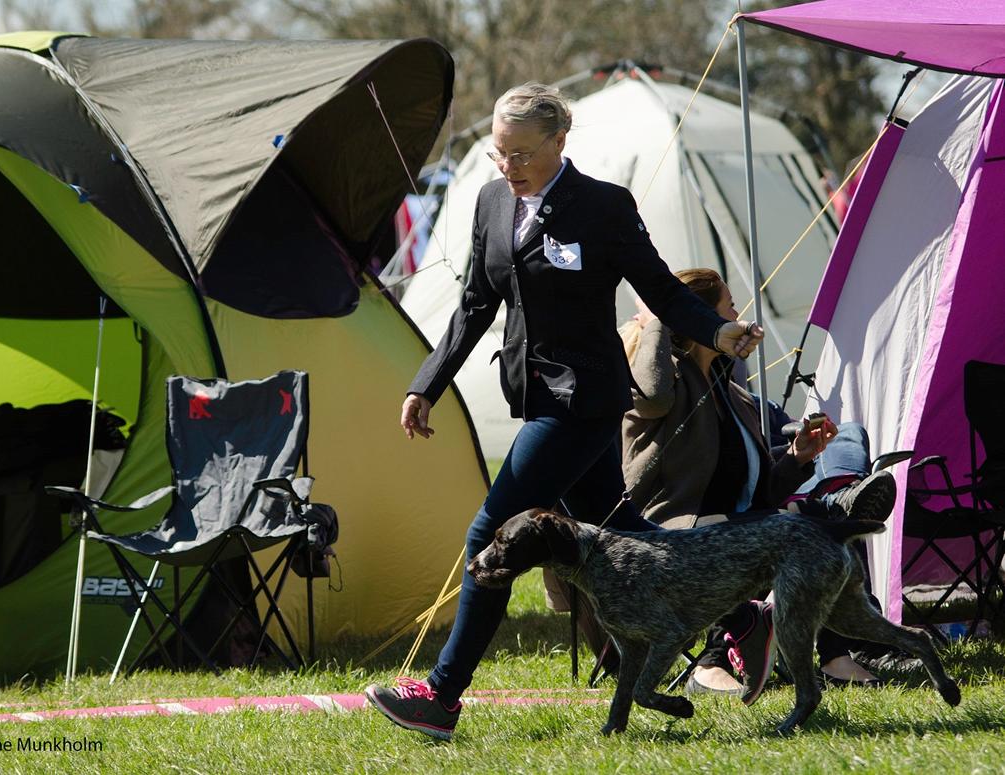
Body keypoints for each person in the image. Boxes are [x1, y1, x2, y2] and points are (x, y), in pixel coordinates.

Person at [363, 83, 763, 741]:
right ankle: (741, 613)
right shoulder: (492, 201)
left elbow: (661, 288)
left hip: (586, 401)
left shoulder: (603, 206)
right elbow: (473, 304)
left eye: (522, 153)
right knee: (620, 524)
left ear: (558, 142)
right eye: (499, 153)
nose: (509, 166)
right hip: (536, 394)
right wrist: (426, 384)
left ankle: (441, 696)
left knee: (491, 534)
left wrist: (716, 333)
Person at [622, 268, 896, 697]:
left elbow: (761, 487)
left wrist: (797, 456)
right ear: (700, 318)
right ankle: (711, 665)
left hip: (736, 523)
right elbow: (652, 396)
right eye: (728, 305)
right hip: (672, 532)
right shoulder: (670, 382)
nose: (737, 314)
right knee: (804, 529)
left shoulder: (733, 394)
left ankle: (836, 655)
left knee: (826, 533)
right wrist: (661, 313)